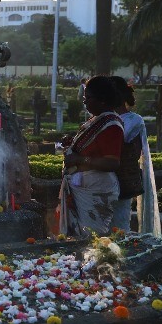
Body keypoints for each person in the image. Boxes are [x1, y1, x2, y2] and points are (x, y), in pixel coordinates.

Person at [57, 75, 124, 238]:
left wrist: (79, 159)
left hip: (96, 190)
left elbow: (112, 163)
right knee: (77, 237)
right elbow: (91, 149)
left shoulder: (111, 125)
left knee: (92, 238)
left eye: (88, 98)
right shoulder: (96, 121)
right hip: (82, 186)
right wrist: (72, 144)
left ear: (102, 100)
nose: (85, 102)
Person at [110, 76, 161, 236]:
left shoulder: (133, 120)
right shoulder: (104, 118)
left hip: (121, 181)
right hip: (101, 183)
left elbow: (119, 141)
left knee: (118, 228)